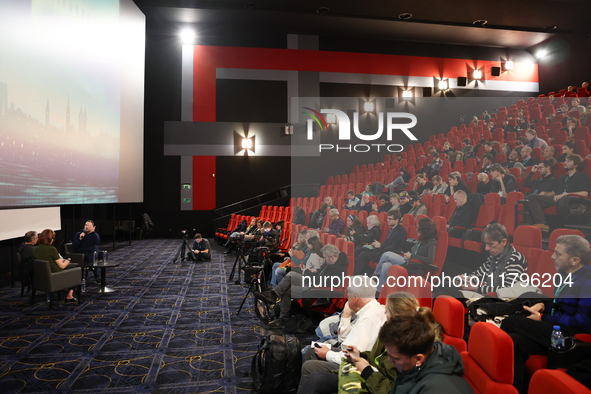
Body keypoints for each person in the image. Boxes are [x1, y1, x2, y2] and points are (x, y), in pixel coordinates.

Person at [501, 235, 591, 393]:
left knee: (511, 322)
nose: (552, 256)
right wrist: (544, 306)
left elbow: (581, 322)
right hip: (556, 329)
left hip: (570, 340)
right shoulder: (562, 276)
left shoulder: (587, 283)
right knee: (514, 342)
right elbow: (559, 307)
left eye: (558, 253)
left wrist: (542, 318)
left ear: (575, 260)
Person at [297, 276, 387, 392]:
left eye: (348, 295)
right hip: (350, 355)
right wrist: (346, 315)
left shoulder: (369, 319)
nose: (347, 299)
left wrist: (328, 354)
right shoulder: (369, 311)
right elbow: (344, 340)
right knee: (311, 350)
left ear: (355, 297)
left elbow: (354, 356)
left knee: (309, 367)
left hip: (357, 366)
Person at [254, 244, 348, 329]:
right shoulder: (331, 264)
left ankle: (281, 317)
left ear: (332, 257)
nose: (324, 260)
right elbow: (321, 274)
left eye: (325, 258)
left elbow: (324, 282)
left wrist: (308, 273)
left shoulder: (338, 269)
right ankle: (274, 296)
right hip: (312, 282)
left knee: (288, 290)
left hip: (316, 288)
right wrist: (315, 272)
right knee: (291, 275)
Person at [376, 314, 473, 393]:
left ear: (419, 359)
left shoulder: (438, 389)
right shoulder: (419, 363)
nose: (389, 360)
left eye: (396, 358)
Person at [449, 223, 527, 300]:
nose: (486, 248)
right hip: (487, 296)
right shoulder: (493, 257)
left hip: (502, 301)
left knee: (448, 293)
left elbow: (507, 290)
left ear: (503, 242)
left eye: (491, 244)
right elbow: (478, 274)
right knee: (446, 288)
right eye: (486, 244)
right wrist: (466, 280)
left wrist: (477, 288)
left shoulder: (516, 259)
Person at [525, 154, 591, 232]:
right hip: (557, 199)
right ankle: (532, 225)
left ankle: (541, 224)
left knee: (560, 199)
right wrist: (546, 193)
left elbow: (585, 193)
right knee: (529, 198)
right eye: (565, 160)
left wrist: (566, 194)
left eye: (568, 161)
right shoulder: (563, 177)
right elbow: (555, 192)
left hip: (571, 201)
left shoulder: (582, 176)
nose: (565, 162)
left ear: (576, 165)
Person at [374, 217, 438, 292]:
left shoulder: (432, 242)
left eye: (418, 228)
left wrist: (412, 256)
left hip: (416, 266)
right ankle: (380, 293)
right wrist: (408, 254)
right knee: (386, 265)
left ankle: (375, 274)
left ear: (424, 230)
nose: (416, 229)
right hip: (409, 262)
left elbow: (430, 260)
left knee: (386, 255)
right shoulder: (421, 239)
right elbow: (414, 251)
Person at [354, 209, 407, 276]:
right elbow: (387, 243)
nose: (388, 220)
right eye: (387, 218)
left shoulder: (400, 231)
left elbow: (396, 247)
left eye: (390, 219)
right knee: (359, 250)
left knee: (363, 254)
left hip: (390, 252)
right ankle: (365, 272)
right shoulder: (391, 229)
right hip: (384, 249)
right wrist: (379, 244)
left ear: (397, 220)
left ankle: (357, 275)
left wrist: (381, 245)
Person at [33, 229, 78, 303]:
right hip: (56, 275)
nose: (53, 240)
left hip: (41, 276)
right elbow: (62, 266)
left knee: (73, 267)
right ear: (49, 239)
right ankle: (70, 295)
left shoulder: (35, 249)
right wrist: (67, 262)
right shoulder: (52, 249)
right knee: (75, 269)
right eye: (53, 238)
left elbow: (47, 260)